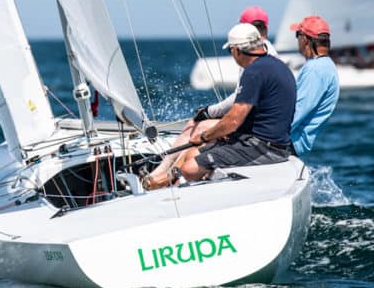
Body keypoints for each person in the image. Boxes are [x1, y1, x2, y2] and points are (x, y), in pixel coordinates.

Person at [146, 23, 296, 187]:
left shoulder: (254, 72)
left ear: (237, 50)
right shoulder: (277, 65)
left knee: (190, 168)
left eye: (230, 50)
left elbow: (233, 121)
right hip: (256, 141)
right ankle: (171, 181)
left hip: (265, 149)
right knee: (192, 154)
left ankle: (168, 181)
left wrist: (204, 137)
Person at [289, 15, 340, 156]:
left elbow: (297, 113)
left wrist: (264, 135)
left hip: (290, 144)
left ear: (304, 39)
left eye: (297, 35)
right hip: (294, 143)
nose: (297, 40)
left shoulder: (315, 70)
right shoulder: (327, 65)